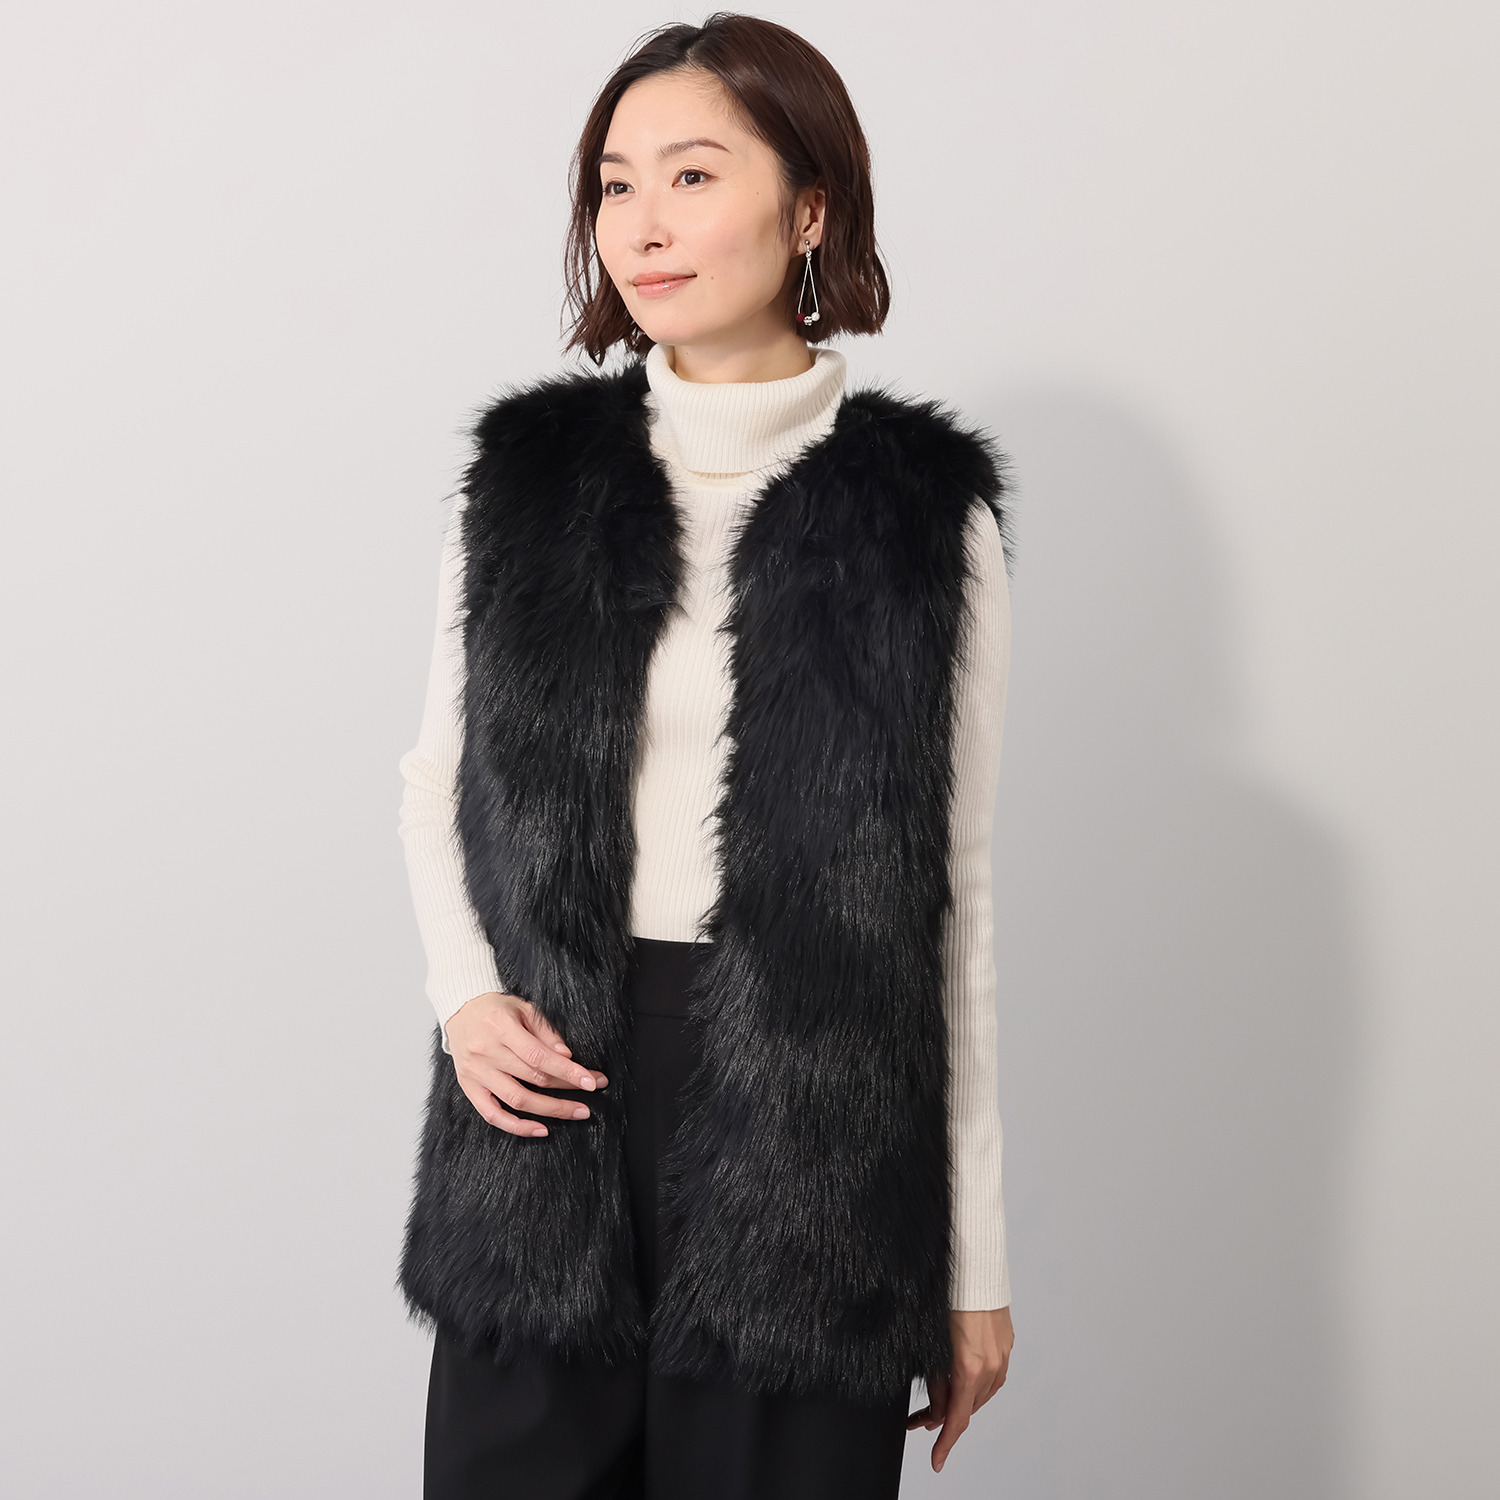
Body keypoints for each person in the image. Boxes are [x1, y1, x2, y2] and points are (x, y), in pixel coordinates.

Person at [396, 14, 1016, 1497]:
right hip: (547, 1106)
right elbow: (434, 778)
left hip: (811, 1152)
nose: (642, 224)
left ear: (809, 210)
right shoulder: (529, 485)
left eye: (690, 174)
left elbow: (955, 899)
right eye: (615, 184)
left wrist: (973, 1264)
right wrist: (466, 1000)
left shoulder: (922, 519)